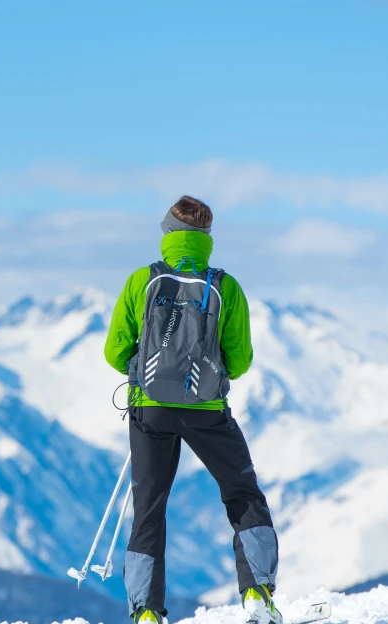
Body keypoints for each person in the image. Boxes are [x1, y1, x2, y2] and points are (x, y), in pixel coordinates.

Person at [103, 196, 280, 624]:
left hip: (151, 410)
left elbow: (114, 352)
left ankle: (146, 612)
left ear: (167, 233)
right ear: (207, 238)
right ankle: (256, 591)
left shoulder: (141, 282)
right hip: (207, 408)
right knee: (242, 493)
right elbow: (239, 362)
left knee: (149, 507)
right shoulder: (225, 286)